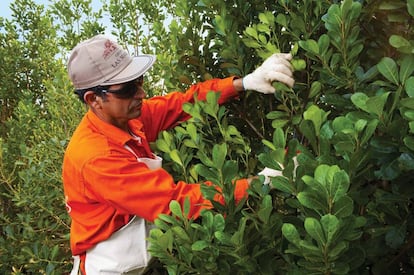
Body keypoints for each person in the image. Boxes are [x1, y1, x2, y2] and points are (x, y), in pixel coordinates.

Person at [63, 34, 294, 275]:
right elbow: (174, 203)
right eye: (128, 88)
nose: (141, 93)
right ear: (94, 99)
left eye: (139, 80)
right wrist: (263, 181)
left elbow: (182, 103)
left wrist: (244, 82)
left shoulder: (127, 118)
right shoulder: (96, 157)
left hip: (143, 260)